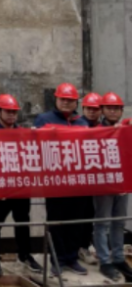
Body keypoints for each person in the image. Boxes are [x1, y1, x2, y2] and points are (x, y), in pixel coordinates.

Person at [34, 82, 89, 276]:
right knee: (56, 222)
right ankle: (57, 259)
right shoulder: (43, 120)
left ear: (76, 102)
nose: (66, 103)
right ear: (56, 99)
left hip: (78, 182)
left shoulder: (82, 123)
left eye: (70, 100)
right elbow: (34, 145)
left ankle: (72, 258)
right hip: (55, 182)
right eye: (63, 99)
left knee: (76, 221)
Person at [0, 94, 42, 277]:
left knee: (23, 221)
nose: (11, 115)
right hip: (0, 188)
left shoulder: (24, 133)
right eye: (8, 111)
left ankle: (24, 255)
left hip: (20, 187)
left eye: (14, 112)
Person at [92, 92, 132, 282]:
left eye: (116, 108)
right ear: (102, 110)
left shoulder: (127, 130)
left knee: (119, 222)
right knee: (102, 223)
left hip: (123, 183)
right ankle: (105, 261)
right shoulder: (95, 131)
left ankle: (118, 258)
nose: (113, 111)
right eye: (109, 108)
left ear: (121, 111)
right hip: (104, 184)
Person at [76, 92, 102, 266]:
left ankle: (85, 246)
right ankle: (77, 248)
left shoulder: (104, 128)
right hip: (79, 180)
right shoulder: (76, 126)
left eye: (95, 109)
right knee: (80, 214)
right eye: (89, 108)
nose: (92, 112)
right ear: (83, 108)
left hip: (97, 179)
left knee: (91, 214)